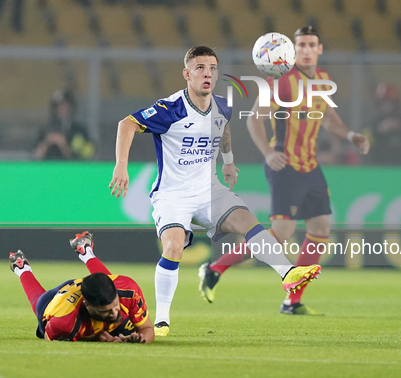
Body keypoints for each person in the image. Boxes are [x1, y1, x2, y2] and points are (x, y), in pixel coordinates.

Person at [109, 45, 322, 337]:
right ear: (187, 74)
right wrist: (121, 165)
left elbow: (223, 129)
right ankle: (161, 320)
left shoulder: (222, 105)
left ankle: (288, 274)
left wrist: (229, 162)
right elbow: (126, 124)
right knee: (173, 247)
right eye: (199, 68)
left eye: (212, 68)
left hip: (209, 190)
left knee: (248, 221)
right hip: (173, 194)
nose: (207, 74)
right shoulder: (170, 109)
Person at [199, 26, 370, 315]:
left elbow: (329, 119)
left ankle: (292, 300)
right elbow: (255, 119)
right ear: (292, 50)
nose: (305, 49)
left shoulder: (323, 80)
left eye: (310, 44)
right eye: (300, 44)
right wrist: (268, 154)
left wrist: (351, 135)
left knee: (320, 230)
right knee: (281, 233)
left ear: (319, 49)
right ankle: (215, 268)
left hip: (311, 166)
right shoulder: (282, 81)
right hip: (285, 164)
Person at [9, 231, 155, 343]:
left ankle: (85, 251)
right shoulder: (64, 322)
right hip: (58, 300)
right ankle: (21, 268)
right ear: (88, 306)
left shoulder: (128, 290)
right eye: (107, 311)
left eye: (116, 305)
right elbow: (49, 337)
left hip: (89, 287)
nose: (114, 313)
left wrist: (138, 340)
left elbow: (147, 330)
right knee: (38, 301)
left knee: (106, 284)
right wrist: (96, 337)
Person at [34, 89, 95, 160]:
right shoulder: (45, 130)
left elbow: (88, 156)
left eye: (65, 105)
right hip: (49, 169)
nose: (62, 108)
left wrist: (63, 145)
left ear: (71, 107)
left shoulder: (78, 131)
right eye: (59, 106)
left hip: (72, 169)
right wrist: (48, 142)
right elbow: (35, 156)